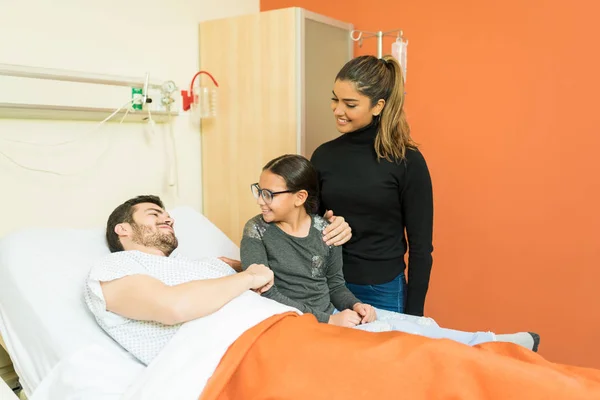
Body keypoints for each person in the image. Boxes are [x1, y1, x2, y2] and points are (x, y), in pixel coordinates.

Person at [83, 195, 600, 400]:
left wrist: (332, 235)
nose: (166, 217)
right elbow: (174, 309)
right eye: (153, 214)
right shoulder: (114, 268)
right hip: (244, 358)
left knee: (427, 354)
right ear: (124, 231)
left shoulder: (205, 265)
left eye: (166, 211)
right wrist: (244, 279)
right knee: (421, 370)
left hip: (294, 332)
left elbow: (281, 271)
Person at [240, 154, 539, 350]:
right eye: (259, 191)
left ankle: (493, 343)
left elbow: (335, 285)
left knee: (419, 326)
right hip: (303, 325)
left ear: (299, 197)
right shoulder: (257, 231)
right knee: (405, 343)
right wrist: (327, 320)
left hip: (335, 315)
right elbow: (267, 294)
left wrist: (356, 305)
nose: (261, 201)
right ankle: (492, 346)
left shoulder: (326, 231)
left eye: (269, 194)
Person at [311, 54, 432, 316]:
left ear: (378, 106)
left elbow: (421, 249)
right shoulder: (324, 156)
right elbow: (305, 225)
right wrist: (323, 222)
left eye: (350, 104)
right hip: (329, 285)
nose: (337, 110)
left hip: (382, 289)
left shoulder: (407, 161)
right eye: (335, 99)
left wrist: (414, 318)